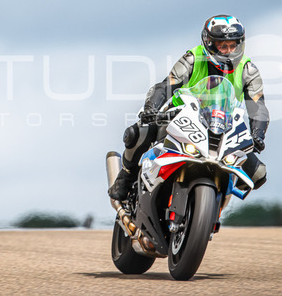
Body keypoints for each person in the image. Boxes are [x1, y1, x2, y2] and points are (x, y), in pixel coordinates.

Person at [108, 15, 270, 201]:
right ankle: (126, 176)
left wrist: (258, 134)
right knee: (138, 132)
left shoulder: (248, 70)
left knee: (258, 174)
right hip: (183, 116)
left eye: (233, 45)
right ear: (209, 43)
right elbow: (166, 86)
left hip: (222, 125)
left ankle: (217, 201)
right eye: (222, 46)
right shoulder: (193, 58)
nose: (228, 52)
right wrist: (151, 108)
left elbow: (258, 107)